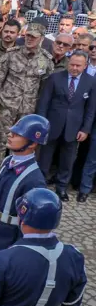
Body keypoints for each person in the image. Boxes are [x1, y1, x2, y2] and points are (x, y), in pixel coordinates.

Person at [0, 114, 49, 280]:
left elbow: (31, 224)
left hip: (9, 239)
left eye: (17, 134)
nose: (10, 135)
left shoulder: (34, 180)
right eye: (11, 132)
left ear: (33, 143)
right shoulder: (7, 162)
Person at [0, 22, 53, 188]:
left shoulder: (45, 60)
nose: (29, 39)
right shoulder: (11, 55)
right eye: (27, 35)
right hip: (7, 104)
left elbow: (44, 89)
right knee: (1, 140)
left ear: (41, 39)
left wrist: (40, 110)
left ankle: (18, 172)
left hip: (28, 109)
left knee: (23, 143)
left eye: (33, 37)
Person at [35, 51, 96, 202]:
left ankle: (61, 188)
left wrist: (85, 129)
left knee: (67, 161)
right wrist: (42, 124)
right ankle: (39, 185)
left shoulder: (91, 82)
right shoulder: (55, 78)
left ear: (85, 66)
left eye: (78, 65)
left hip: (74, 129)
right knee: (45, 158)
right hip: (52, 125)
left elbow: (90, 109)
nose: (74, 68)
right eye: (72, 64)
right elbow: (43, 103)